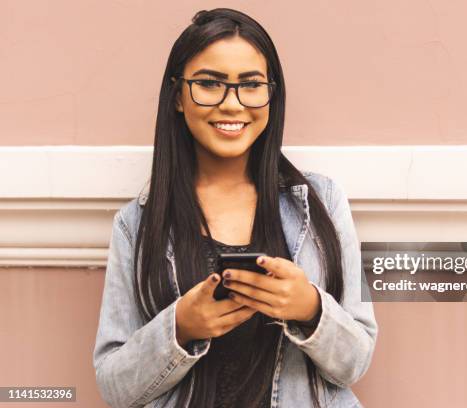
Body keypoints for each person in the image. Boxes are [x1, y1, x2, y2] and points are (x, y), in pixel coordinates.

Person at [93, 8, 377, 408]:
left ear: (271, 94)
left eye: (251, 84)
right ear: (177, 95)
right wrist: (180, 328)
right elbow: (114, 388)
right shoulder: (135, 224)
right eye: (209, 83)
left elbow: (357, 361)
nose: (232, 104)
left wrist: (309, 308)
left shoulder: (323, 203)